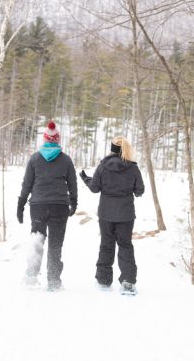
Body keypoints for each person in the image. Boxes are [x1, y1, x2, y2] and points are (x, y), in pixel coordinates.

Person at [79, 136, 145, 294]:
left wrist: (86, 179)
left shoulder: (103, 166)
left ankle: (103, 281)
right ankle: (128, 282)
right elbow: (139, 191)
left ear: (112, 149)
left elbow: (95, 188)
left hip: (106, 214)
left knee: (106, 244)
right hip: (126, 215)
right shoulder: (133, 168)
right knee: (125, 245)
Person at [17, 120, 78, 291]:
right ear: (58, 140)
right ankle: (54, 281)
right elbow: (72, 184)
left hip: (38, 206)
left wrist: (21, 204)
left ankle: (30, 277)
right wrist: (74, 202)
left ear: (44, 139)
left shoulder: (35, 158)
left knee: (37, 240)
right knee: (55, 244)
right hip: (59, 206)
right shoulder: (66, 160)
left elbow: (27, 184)